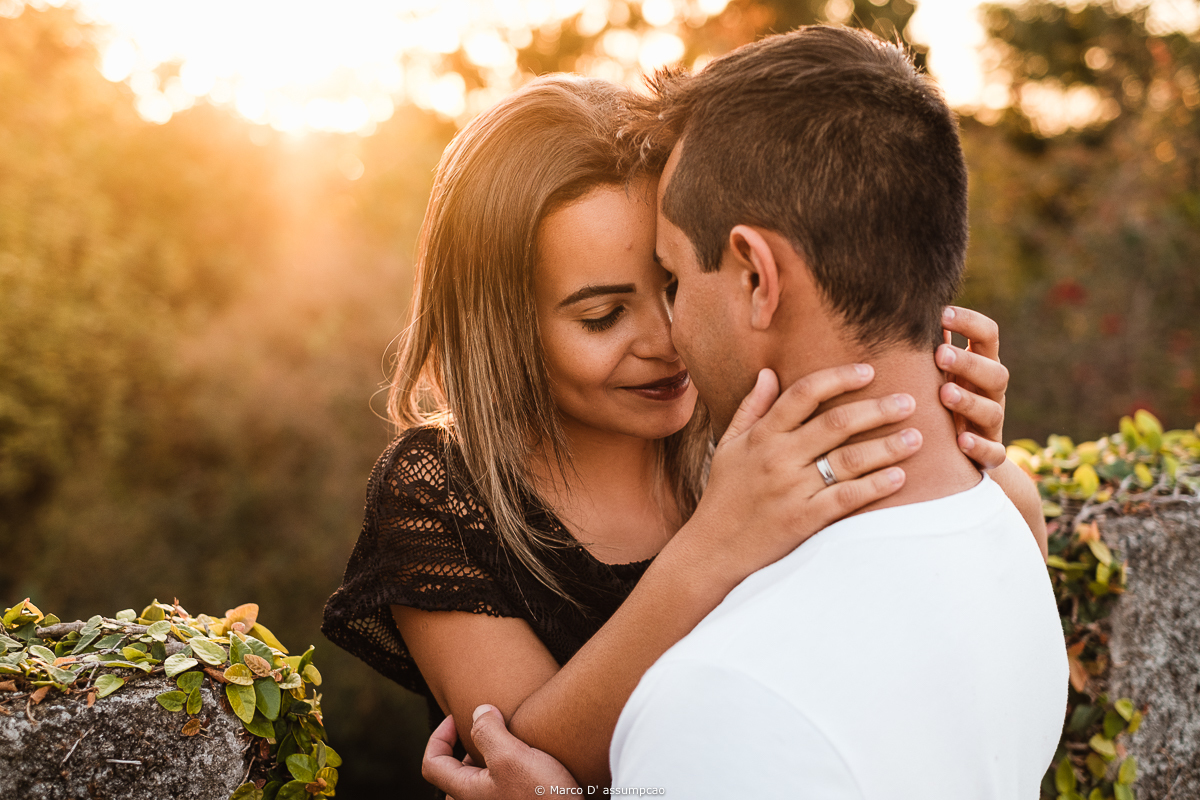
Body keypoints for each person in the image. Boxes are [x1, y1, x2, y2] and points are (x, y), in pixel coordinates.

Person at [324, 69, 1042, 795]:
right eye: (602, 317)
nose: (667, 339)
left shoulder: (742, 407)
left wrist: (967, 439)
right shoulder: (441, 494)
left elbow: (1001, 549)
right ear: (502, 329)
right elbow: (526, 764)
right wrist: (715, 543)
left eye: (673, 284)